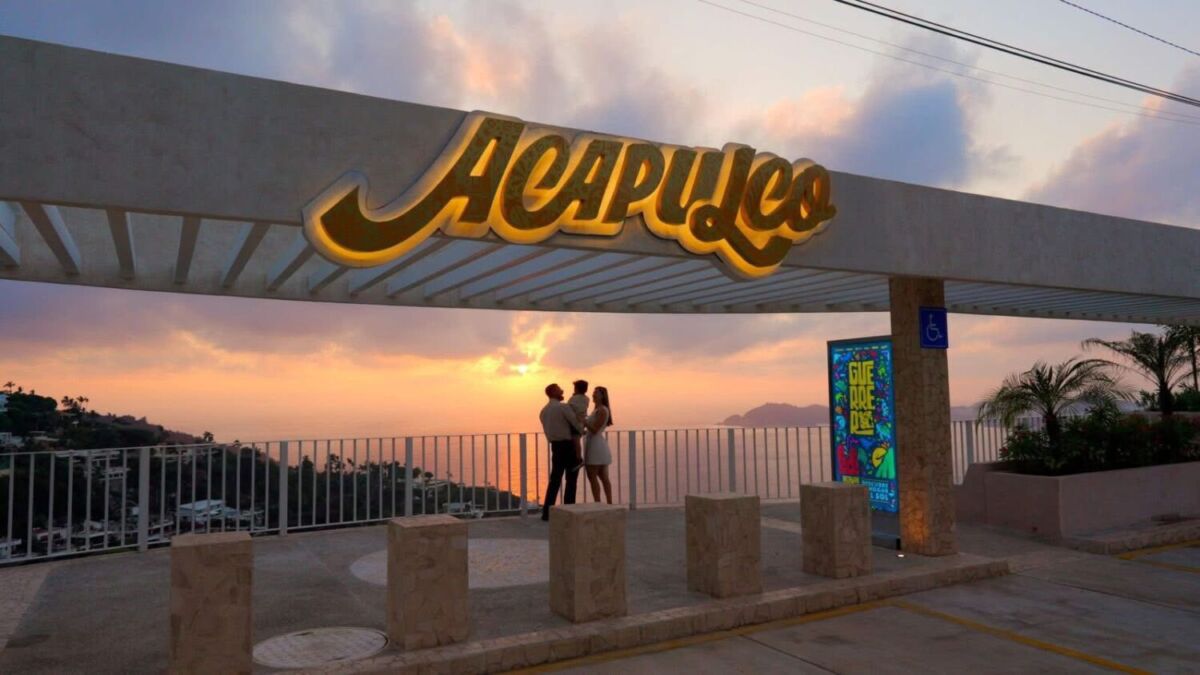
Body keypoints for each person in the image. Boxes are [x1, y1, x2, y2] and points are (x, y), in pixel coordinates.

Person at [539, 382, 584, 521]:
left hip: (556, 447)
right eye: (560, 390)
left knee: (555, 480)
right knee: (571, 480)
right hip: (568, 446)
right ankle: (568, 511)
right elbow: (576, 424)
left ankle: (547, 512)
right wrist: (583, 428)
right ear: (553, 393)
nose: (562, 391)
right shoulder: (562, 407)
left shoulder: (543, 411)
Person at [584, 386, 614, 504]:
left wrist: (584, 421)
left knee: (593, 477)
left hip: (595, 447)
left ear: (602, 396)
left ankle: (599, 503)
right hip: (595, 445)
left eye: (596, 393)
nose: (593, 395)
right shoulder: (597, 410)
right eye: (593, 392)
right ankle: (608, 503)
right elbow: (593, 430)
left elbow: (596, 429)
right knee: (603, 478)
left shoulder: (602, 410)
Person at [567, 380, 590, 470]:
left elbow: (569, 408)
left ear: (576, 389)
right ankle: (578, 457)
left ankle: (579, 458)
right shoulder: (586, 398)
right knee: (577, 439)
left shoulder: (574, 399)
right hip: (581, 421)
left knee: (576, 440)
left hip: (576, 421)